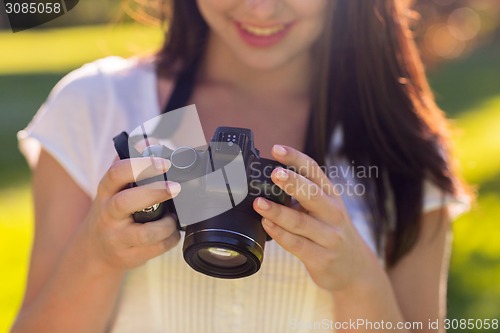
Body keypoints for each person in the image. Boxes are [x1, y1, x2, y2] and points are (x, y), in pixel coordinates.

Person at [12, 0, 471, 332]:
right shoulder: (98, 106)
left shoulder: (401, 147)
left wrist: (356, 279)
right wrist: (97, 257)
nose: (261, 9)